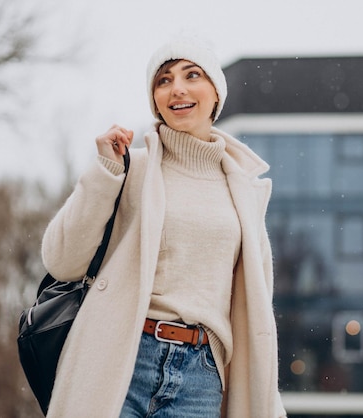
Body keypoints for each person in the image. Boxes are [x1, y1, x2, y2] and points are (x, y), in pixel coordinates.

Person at [41, 37, 287, 418]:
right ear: (155, 99)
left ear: (216, 95)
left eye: (192, 75)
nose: (178, 89)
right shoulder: (130, 169)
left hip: (201, 375)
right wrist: (106, 172)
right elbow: (62, 261)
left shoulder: (245, 191)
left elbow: (255, 310)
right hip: (124, 358)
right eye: (164, 80)